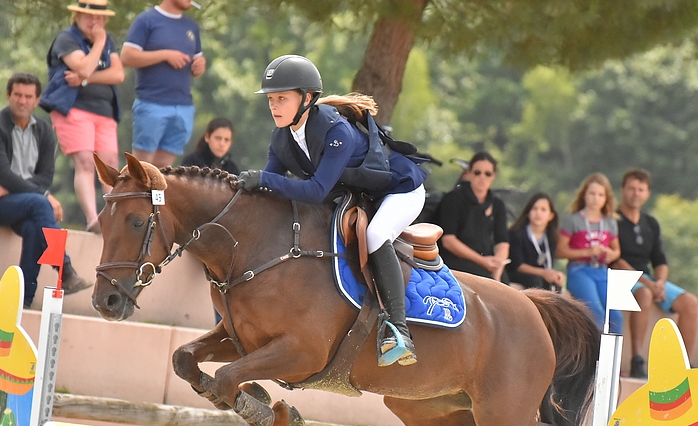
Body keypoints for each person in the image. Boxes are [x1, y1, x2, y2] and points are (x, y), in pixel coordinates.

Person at [239, 55, 427, 367]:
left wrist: (262, 179)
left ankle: (399, 330)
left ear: (307, 98)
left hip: (400, 190)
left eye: (282, 98)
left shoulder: (336, 131)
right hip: (362, 194)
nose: (274, 106)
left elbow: (315, 190)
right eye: (271, 99)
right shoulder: (281, 138)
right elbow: (271, 188)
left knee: (377, 233)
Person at [0, 72, 91, 308]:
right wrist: (43, 195)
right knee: (40, 204)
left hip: (21, 201)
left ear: (37, 100)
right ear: (8, 96)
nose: (22, 101)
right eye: (17, 95)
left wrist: (13, 187)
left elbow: (45, 177)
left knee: (35, 228)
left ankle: (23, 298)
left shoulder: (45, 131)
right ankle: (65, 270)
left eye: (28, 96)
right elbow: (4, 174)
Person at [43, 0, 124, 233]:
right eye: (89, 17)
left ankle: (113, 214)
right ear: (77, 17)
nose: (94, 22)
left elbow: (117, 74)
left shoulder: (110, 41)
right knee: (86, 162)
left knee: (110, 164)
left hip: (105, 111)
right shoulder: (67, 39)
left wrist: (87, 79)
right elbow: (84, 66)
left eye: (99, 18)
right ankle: (92, 218)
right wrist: (99, 43)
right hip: (74, 108)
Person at [612, 168, 698, 379]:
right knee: (644, 294)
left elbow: (660, 260)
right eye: (632, 188)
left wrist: (659, 282)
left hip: (649, 279)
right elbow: (616, 260)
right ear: (623, 190)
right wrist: (649, 284)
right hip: (621, 276)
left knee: (690, 302)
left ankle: (681, 364)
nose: (636, 193)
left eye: (641, 189)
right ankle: (637, 360)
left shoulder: (650, 223)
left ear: (647, 193)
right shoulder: (612, 220)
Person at [121, 0, 205, 168]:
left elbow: (197, 62)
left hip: (183, 106)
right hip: (152, 102)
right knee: (142, 166)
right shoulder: (146, 20)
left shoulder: (191, 26)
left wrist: (200, 65)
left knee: (165, 168)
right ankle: (135, 194)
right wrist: (165, 55)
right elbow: (127, 56)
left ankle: (157, 195)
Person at [556, 172, 622, 333]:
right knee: (596, 312)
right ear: (584, 194)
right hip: (579, 270)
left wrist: (611, 254)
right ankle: (595, 355)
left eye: (600, 194)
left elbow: (617, 250)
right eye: (592, 193)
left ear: (606, 198)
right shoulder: (573, 220)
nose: (596, 198)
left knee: (616, 316)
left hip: (602, 270)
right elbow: (560, 251)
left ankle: (612, 355)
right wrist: (588, 251)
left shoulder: (609, 222)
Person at [436, 151, 510, 281]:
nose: (482, 177)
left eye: (488, 173)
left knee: (504, 282)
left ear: (494, 176)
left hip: (487, 262)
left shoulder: (498, 204)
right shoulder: (453, 199)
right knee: (484, 278)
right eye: (477, 172)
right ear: (469, 173)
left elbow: (503, 241)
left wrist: (498, 264)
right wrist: (482, 261)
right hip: (457, 260)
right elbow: (449, 241)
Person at [506, 192, 564, 291]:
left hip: (540, 274)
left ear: (551, 215)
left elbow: (548, 264)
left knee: (555, 284)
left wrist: (554, 274)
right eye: (534, 208)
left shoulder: (551, 237)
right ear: (528, 212)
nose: (538, 213)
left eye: (543, 210)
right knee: (535, 281)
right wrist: (543, 273)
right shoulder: (516, 234)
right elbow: (518, 265)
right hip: (518, 274)